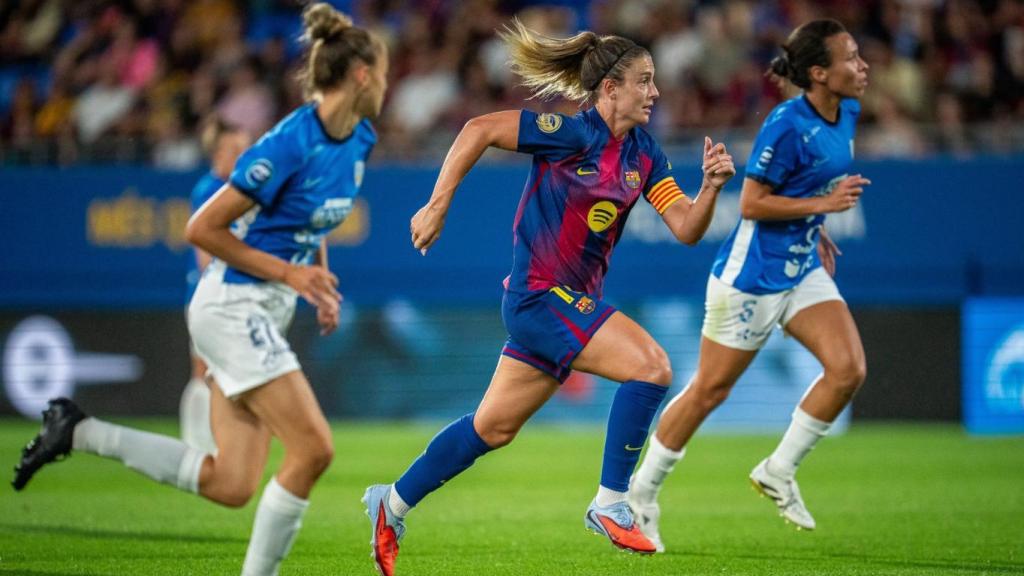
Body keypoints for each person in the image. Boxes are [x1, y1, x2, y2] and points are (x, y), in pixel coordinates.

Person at [12, 4, 388, 575]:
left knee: (231, 482)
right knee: (314, 449)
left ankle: (79, 432)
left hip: (268, 308)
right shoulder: (287, 144)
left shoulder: (359, 138)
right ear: (361, 75)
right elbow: (201, 229)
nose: (387, 81)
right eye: (382, 70)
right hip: (231, 305)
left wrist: (319, 280)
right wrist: (292, 274)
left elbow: (315, 220)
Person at [362, 19, 735, 576]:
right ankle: (611, 500)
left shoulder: (644, 154)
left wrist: (709, 189)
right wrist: (438, 203)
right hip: (541, 298)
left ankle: (390, 504)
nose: (655, 92)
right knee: (652, 367)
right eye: (644, 81)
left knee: (491, 429)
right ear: (610, 89)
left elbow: (685, 227)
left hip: (562, 307)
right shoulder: (571, 133)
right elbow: (479, 128)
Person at [627, 19, 871, 552]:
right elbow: (753, 203)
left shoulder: (846, 111)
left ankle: (778, 469)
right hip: (751, 277)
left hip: (802, 266)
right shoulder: (785, 124)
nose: (863, 66)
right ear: (818, 73)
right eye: (851, 57)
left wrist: (818, 225)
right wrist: (823, 207)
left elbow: (812, 182)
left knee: (848, 368)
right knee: (710, 391)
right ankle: (640, 494)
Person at [180, 116, 251, 455]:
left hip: (230, 292)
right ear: (217, 154)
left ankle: (215, 437)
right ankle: (196, 440)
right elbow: (204, 254)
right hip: (208, 295)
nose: (242, 156)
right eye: (235, 150)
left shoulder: (238, 192)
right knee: (203, 369)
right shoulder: (209, 190)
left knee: (219, 370)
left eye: (245, 149)